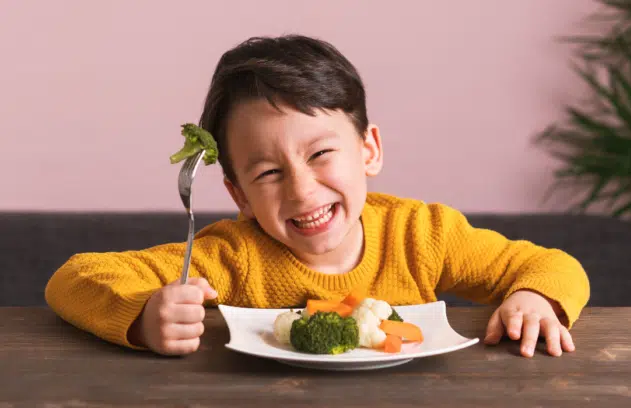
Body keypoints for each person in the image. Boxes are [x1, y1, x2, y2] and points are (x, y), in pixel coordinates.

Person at [45, 34, 590, 359]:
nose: (302, 190)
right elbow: (73, 279)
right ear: (238, 193)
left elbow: (551, 264)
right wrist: (142, 317)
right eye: (267, 173)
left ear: (368, 149)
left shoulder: (422, 235)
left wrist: (537, 298)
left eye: (321, 154)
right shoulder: (228, 259)